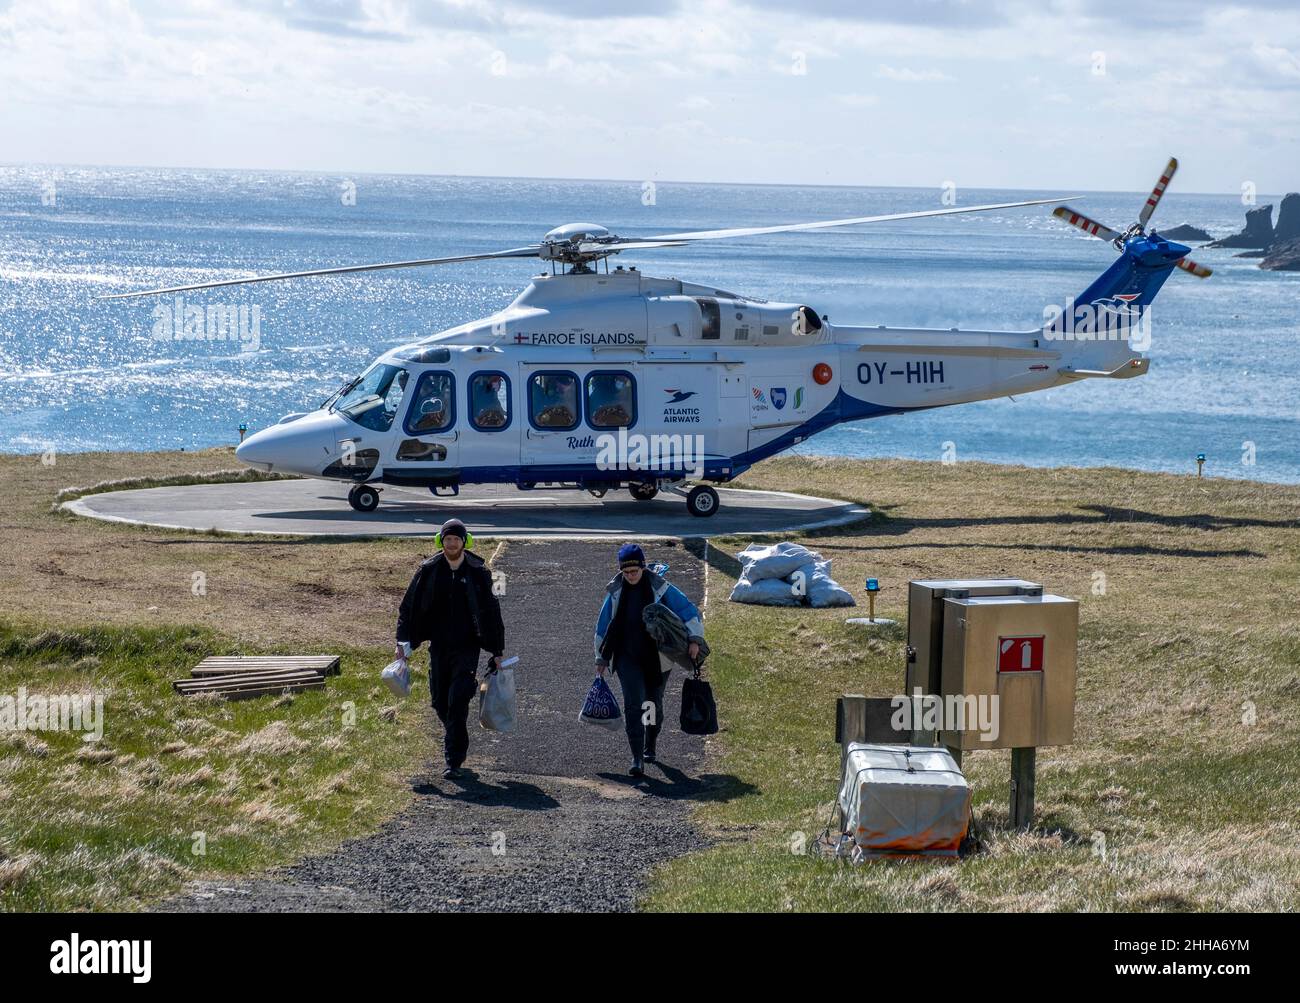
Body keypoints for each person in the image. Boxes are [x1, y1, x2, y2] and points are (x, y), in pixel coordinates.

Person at [396, 518, 504, 779]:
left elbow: (491, 611)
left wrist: (497, 650)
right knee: (438, 701)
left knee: (457, 699)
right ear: (441, 541)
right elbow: (407, 607)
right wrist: (402, 642)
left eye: (456, 539)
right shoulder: (428, 570)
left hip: (467, 647)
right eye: (448, 539)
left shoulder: (478, 571)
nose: (452, 543)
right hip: (438, 645)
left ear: (464, 542)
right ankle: (455, 733)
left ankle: (453, 760)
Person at [592, 542, 704, 777]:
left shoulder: (661, 588)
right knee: (634, 704)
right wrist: (601, 657)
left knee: (652, 703)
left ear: (643, 567)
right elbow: (603, 625)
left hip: (658, 658)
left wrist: (694, 639)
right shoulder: (615, 592)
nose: (631, 576)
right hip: (626, 657)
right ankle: (636, 758)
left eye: (634, 571)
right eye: (626, 572)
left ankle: (649, 744)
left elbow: (688, 610)